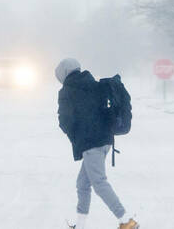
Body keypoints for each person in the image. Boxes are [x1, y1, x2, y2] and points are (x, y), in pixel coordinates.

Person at [56, 58, 138, 229]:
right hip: (106, 139)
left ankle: (126, 220)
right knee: (83, 184)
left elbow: (65, 121)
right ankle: (81, 224)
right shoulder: (94, 84)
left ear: (63, 74)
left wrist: (76, 136)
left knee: (99, 183)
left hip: (90, 143)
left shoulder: (67, 91)